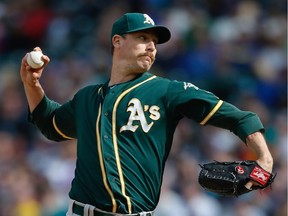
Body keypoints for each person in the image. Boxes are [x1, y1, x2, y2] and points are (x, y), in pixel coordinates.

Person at [20, 12, 273, 216]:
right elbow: (50, 124)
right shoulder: (87, 97)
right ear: (117, 41)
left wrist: (264, 160)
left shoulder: (167, 91)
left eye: (155, 42)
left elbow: (239, 118)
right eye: (142, 38)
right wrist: (32, 85)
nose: (151, 46)